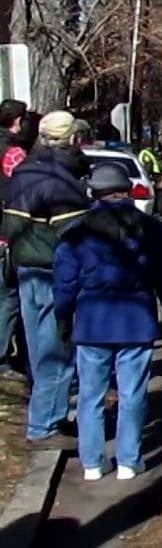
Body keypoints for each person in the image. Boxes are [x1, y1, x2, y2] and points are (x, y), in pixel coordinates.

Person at [53, 163, 162, 480]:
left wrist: (63, 316)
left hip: (92, 319)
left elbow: (64, 283)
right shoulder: (151, 229)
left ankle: (93, 463)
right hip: (136, 318)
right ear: (127, 190)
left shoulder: (77, 232)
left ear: (93, 193)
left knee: (90, 395)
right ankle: (129, 460)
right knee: (132, 392)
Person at [1, 111, 92, 446]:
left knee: (39, 350)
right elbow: (77, 234)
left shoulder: (24, 172)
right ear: (71, 139)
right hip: (56, 270)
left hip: (26, 270)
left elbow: (10, 227)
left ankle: (45, 418)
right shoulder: (63, 181)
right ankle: (44, 427)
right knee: (57, 351)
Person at [0, 100, 27, 376]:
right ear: (17, 120)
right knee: (9, 298)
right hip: (7, 234)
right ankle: (3, 357)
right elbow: (22, 190)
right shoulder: (13, 152)